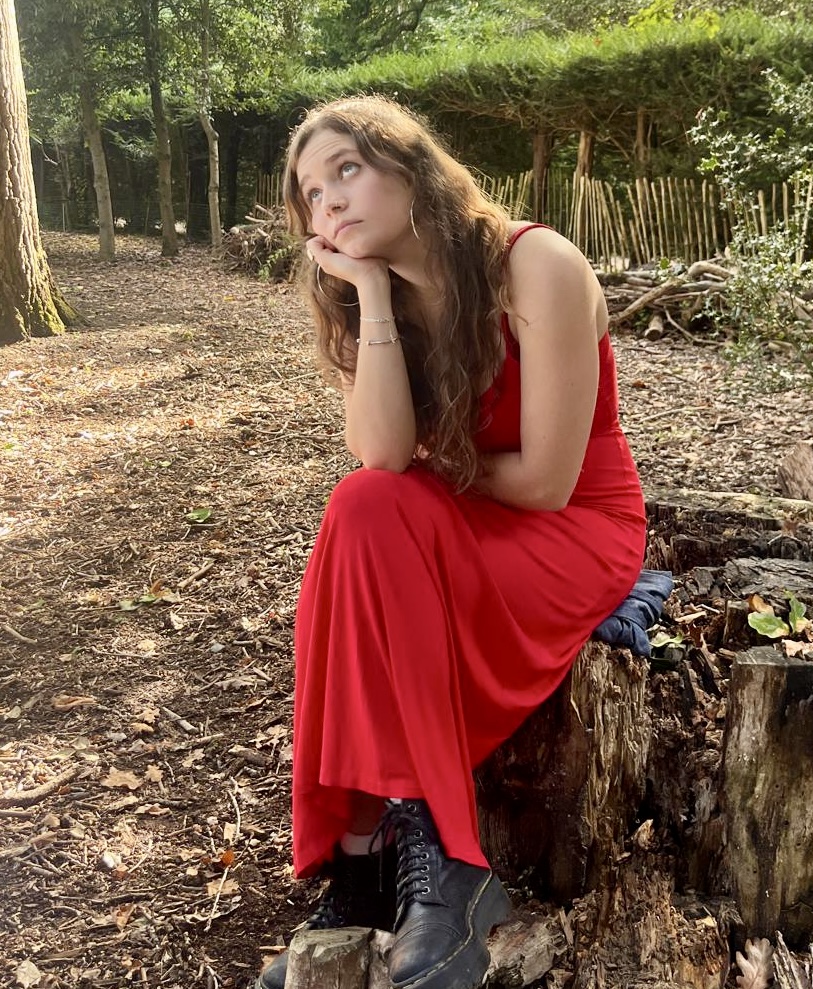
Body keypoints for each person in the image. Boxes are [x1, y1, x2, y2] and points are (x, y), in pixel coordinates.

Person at [254, 95, 647, 989]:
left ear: (410, 167)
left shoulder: (534, 264)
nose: (329, 200)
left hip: (574, 527)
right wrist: (370, 295)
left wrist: (435, 483)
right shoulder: (373, 298)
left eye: (347, 169)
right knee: (363, 503)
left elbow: (546, 482)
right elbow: (385, 455)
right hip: (467, 511)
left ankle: (438, 847)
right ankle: (363, 861)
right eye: (311, 192)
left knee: (384, 513)